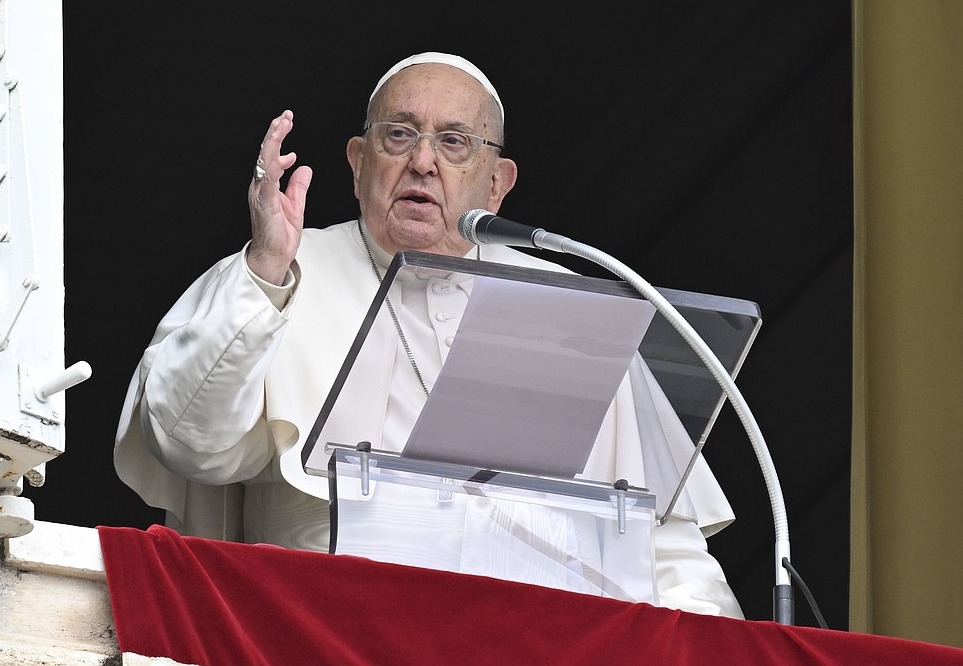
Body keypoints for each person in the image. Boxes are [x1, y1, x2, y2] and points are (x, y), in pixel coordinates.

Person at [114, 52, 744, 618]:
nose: (422, 161)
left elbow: (666, 547)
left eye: (454, 142)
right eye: (400, 135)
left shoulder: (570, 309)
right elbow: (189, 445)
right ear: (359, 164)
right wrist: (265, 275)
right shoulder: (279, 270)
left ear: (496, 183)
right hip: (330, 633)